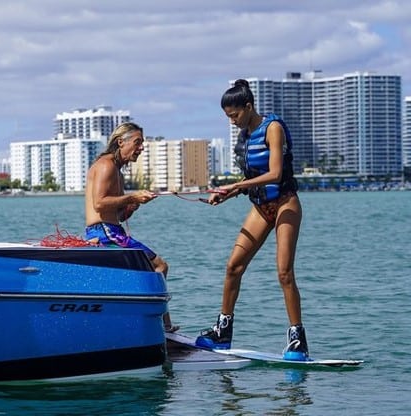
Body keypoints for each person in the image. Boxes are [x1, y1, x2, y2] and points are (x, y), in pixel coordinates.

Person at [195, 79, 309, 361]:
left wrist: (236, 188)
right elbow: (251, 179)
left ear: (248, 107)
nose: (232, 121)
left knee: (284, 273)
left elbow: (274, 174)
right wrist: (227, 193)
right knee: (233, 267)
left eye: (234, 115)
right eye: (227, 117)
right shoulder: (244, 136)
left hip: (284, 204)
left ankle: (298, 340)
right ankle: (223, 331)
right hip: (260, 206)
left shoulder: (273, 128)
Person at [85, 122, 179, 333]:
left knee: (149, 269)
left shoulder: (116, 169)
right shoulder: (106, 165)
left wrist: (130, 207)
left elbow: (114, 213)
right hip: (104, 233)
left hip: (110, 229)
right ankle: (162, 326)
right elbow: (99, 203)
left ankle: (159, 324)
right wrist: (132, 196)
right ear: (121, 142)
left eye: (142, 144)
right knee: (159, 266)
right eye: (137, 143)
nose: (141, 148)